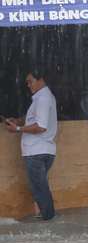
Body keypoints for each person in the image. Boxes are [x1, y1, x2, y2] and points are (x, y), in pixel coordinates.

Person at [5, 69, 58, 220]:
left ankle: (49, 221)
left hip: (36, 151)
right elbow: (32, 117)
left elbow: (41, 127)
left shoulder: (42, 100)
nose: (28, 85)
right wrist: (18, 121)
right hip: (43, 150)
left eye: (30, 81)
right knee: (37, 187)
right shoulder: (44, 98)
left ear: (41, 79)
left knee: (40, 189)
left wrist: (17, 129)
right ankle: (39, 216)